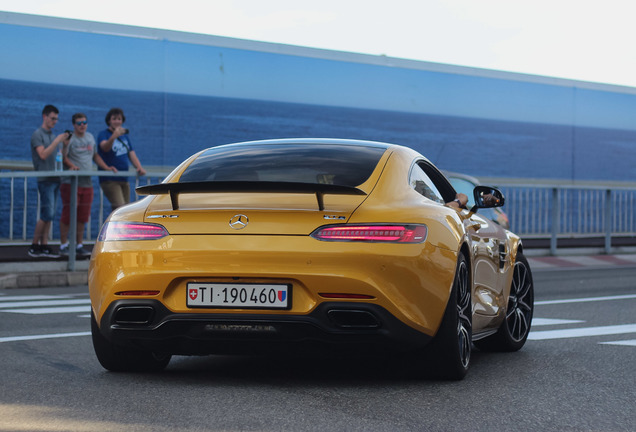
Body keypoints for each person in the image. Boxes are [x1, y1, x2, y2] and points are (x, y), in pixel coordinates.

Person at [59, 113, 117, 257]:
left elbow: (95, 156)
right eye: (79, 123)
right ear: (74, 125)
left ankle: (79, 245)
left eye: (84, 122)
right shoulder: (69, 139)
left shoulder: (90, 137)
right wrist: (71, 166)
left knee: (83, 216)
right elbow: (63, 156)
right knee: (68, 214)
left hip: (87, 182)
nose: (82, 125)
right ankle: (63, 245)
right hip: (71, 182)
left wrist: (106, 167)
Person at [28, 105, 71, 258]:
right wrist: (57, 140)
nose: (55, 121)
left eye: (56, 119)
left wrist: (64, 145)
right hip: (45, 179)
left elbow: (61, 156)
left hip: (55, 179)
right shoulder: (37, 135)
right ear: (44, 117)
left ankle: (44, 245)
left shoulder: (53, 136)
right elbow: (43, 155)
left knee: (49, 214)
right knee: (47, 213)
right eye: (52, 118)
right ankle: (34, 245)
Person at [97, 108, 146, 212]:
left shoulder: (125, 137)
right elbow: (105, 147)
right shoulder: (103, 134)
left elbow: (131, 153)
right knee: (120, 208)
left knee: (126, 209)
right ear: (109, 121)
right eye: (114, 119)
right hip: (110, 179)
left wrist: (139, 167)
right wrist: (114, 136)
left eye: (119, 119)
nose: (117, 121)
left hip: (123, 179)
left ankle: (120, 228)